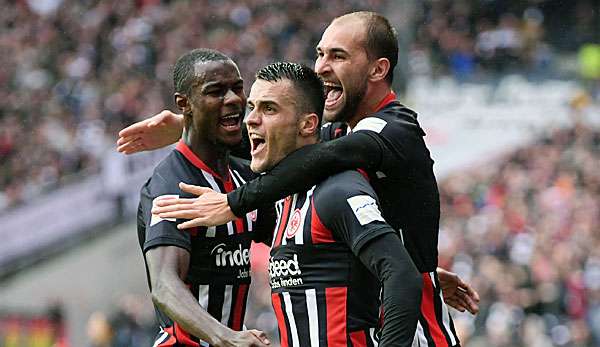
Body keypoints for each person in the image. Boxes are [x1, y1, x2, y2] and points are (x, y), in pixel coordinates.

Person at [121, 11, 480, 346]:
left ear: (377, 69)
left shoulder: (385, 133)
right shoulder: (324, 151)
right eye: (320, 53)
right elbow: (288, 145)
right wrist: (193, 126)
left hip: (411, 332)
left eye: (337, 56)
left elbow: (314, 153)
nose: (321, 66)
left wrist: (410, 269)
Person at [254, 61, 422, 346]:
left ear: (308, 124)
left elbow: (402, 274)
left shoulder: (338, 190)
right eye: (252, 107)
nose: (252, 119)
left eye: (268, 109)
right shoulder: (285, 198)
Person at [137, 48, 273, 347]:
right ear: (184, 104)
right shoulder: (170, 184)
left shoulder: (244, 177)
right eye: (216, 91)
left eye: (237, 88)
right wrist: (226, 337)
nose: (234, 99)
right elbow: (164, 284)